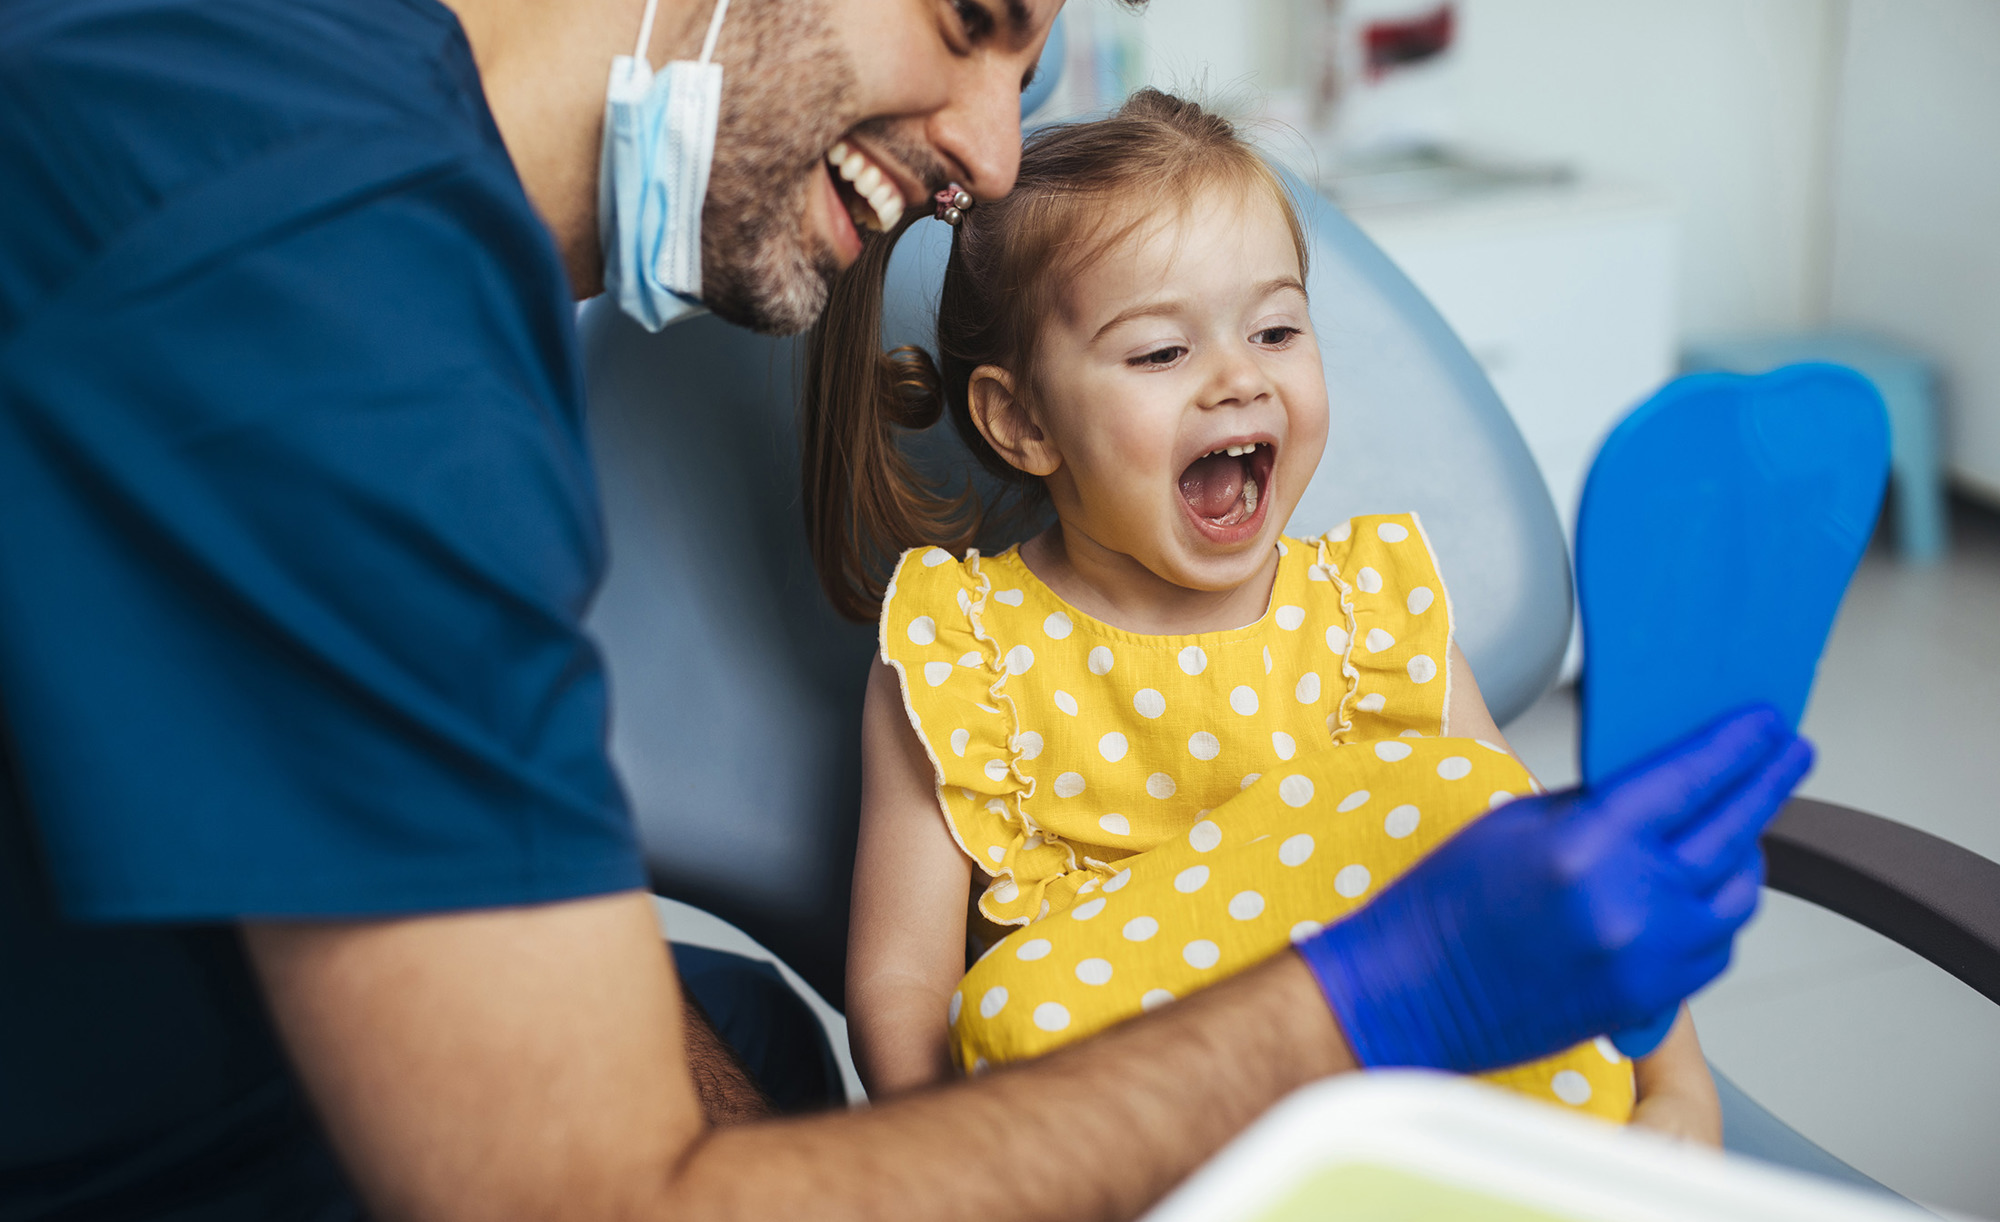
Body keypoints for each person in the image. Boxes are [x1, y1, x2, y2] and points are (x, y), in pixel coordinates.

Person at [0, 0, 1806, 1217]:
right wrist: (1363, 1001)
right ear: (1016, 419)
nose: (996, 157)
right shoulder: (320, 304)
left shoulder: (280, 103)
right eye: (967, 16)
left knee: (740, 1043)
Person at [816, 90, 1721, 1140]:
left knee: (1467, 793)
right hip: (1128, 1146)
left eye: (1277, 329)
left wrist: (1676, 1089)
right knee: (1011, 1012)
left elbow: (1541, 870)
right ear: (1020, 420)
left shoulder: (1365, 617)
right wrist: (962, 1169)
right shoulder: (963, 652)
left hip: (1410, 1109)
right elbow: (899, 986)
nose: (1238, 379)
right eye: (1161, 352)